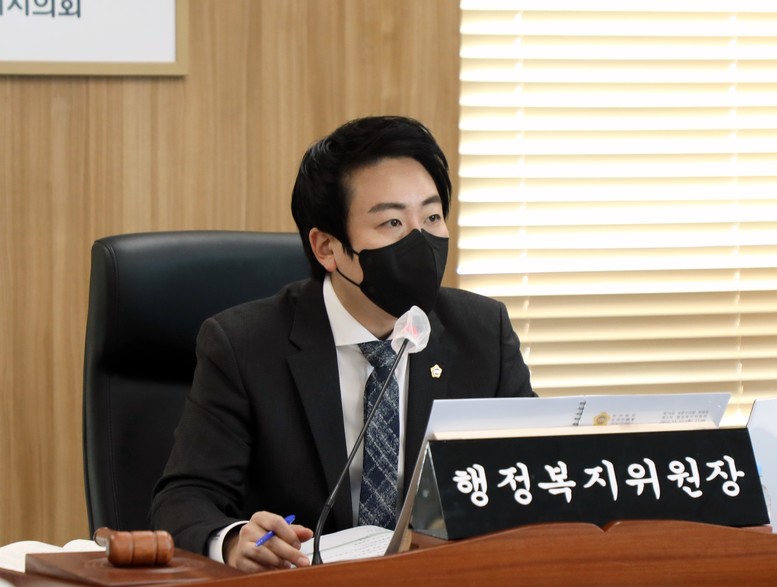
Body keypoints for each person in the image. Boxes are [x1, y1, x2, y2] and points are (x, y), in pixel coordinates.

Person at [149, 115, 535, 572]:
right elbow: (184, 498)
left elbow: (532, 473)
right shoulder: (243, 345)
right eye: (392, 222)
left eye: (432, 217)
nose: (421, 240)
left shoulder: (482, 331)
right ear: (327, 248)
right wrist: (234, 540)